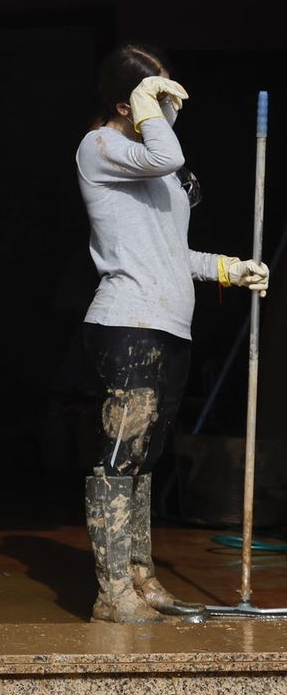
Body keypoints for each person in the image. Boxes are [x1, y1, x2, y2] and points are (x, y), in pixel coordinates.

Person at [76, 46, 269, 623]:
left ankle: (141, 578)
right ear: (124, 103)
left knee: (146, 457)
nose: (168, 106)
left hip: (170, 323)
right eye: (156, 96)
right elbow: (166, 153)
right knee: (119, 457)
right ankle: (112, 594)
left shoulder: (157, 171)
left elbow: (169, 253)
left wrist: (227, 269)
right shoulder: (101, 147)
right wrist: (148, 110)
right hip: (126, 323)